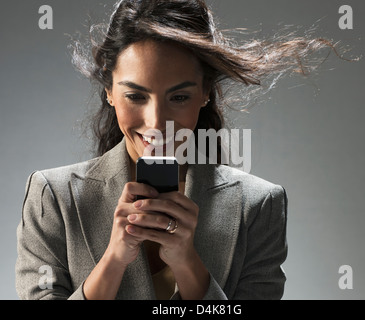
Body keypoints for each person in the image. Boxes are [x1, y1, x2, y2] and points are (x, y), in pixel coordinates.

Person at [15, 0, 335, 300]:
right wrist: (114, 258)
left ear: (205, 92)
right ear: (109, 90)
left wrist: (187, 263)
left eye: (178, 97)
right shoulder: (54, 197)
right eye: (136, 96)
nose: (157, 122)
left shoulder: (258, 205)